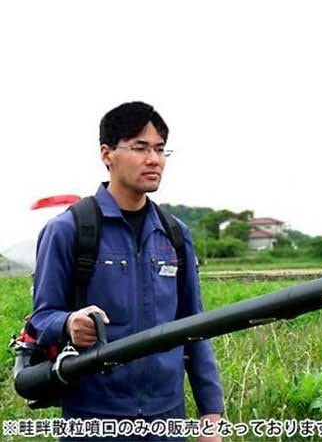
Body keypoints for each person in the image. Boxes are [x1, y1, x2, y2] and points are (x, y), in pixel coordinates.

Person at [30, 102, 224, 442]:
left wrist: (211, 413)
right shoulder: (68, 230)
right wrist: (68, 323)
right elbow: (41, 318)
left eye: (160, 149)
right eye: (139, 147)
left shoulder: (174, 234)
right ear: (107, 154)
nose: (154, 159)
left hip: (166, 416)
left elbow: (195, 325)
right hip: (93, 418)